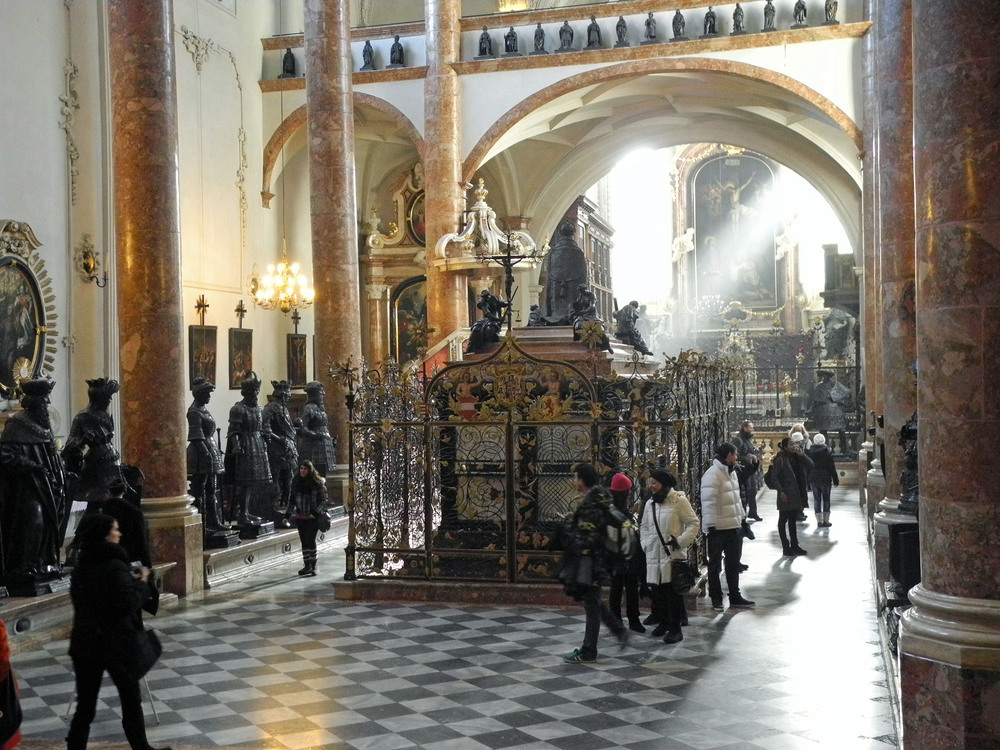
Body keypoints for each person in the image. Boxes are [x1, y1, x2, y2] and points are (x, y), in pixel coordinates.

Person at [65, 513, 169, 750]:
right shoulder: (114, 566)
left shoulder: (81, 568)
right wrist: (141, 583)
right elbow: (126, 604)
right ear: (105, 535)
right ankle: (141, 748)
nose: (119, 534)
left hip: (86, 642)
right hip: (116, 643)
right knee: (131, 700)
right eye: (115, 529)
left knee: (86, 706)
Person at [0, 378, 68, 593]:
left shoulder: (43, 427)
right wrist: (32, 466)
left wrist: (63, 468)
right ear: (34, 402)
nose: (46, 405)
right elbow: (5, 455)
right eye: (43, 402)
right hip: (25, 487)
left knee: (48, 523)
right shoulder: (17, 424)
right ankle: (24, 567)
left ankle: (44, 564)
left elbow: (52, 457)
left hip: (47, 485)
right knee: (34, 521)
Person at [558, 462, 627, 663]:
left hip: (590, 561)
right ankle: (618, 631)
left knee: (591, 604)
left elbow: (589, 534)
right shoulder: (600, 497)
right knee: (593, 601)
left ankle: (589, 650)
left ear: (582, 480)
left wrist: (571, 534)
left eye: (576, 478)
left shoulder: (592, 501)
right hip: (598, 560)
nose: (574, 482)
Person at [639, 469, 699, 643]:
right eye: (650, 483)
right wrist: (645, 544)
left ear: (664, 484)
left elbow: (693, 523)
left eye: (654, 483)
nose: (651, 486)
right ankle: (663, 623)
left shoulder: (678, 501)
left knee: (672, 594)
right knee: (658, 592)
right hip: (653, 554)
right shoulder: (650, 503)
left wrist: (680, 541)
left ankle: (675, 629)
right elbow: (643, 526)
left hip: (671, 555)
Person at [700, 443, 754, 611]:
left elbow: (735, 499)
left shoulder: (731, 473)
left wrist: (742, 519)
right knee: (715, 565)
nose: (736, 457)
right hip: (717, 529)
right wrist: (710, 525)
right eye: (735, 454)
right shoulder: (713, 474)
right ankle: (716, 598)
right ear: (728, 455)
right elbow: (708, 502)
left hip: (733, 526)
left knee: (732, 564)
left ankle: (735, 596)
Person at [62, 377, 123, 509]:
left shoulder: (104, 415)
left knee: (115, 503)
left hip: (112, 462)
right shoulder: (82, 417)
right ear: (99, 398)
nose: (110, 400)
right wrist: (83, 439)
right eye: (107, 397)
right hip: (95, 465)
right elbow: (70, 445)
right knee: (96, 503)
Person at [224, 372, 272, 526]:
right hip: (246, 445)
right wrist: (237, 445)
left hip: (257, 444)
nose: (255, 395)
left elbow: (262, 427)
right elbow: (233, 431)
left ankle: (247, 511)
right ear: (246, 393)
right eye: (252, 392)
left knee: (253, 482)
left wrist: (265, 438)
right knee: (244, 482)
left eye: (256, 392)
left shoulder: (258, 408)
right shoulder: (238, 409)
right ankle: (242, 513)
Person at [186, 377, 226, 531]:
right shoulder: (194, 412)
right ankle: (200, 524)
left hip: (209, 449)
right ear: (199, 394)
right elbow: (196, 437)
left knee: (211, 490)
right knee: (199, 491)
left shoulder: (202, 409)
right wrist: (206, 454)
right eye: (207, 393)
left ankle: (214, 522)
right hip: (200, 454)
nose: (209, 397)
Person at [607, 473, 644, 633]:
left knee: (623, 589)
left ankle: (623, 620)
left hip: (622, 556)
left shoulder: (615, 508)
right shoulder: (615, 511)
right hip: (622, 556)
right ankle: (629, 620)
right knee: (624, 589)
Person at [261, 380, 299, 521]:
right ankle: (274, 506)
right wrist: (278, 439)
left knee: (289, 478)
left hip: (288, 447)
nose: (288, 397)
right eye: (287, 394)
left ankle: (289, 506)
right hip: (276, 448)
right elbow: (264, 427)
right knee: (275, 477)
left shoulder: (283, 409)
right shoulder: (270, 408)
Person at [287, 461, 329, 576]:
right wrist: (287, 515)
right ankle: (307, 565)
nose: (302, 471)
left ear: (310, 470)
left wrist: (315, 513)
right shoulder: (296, 482)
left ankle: (313, 565)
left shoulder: (317, 483)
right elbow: (292, 500)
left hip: (312, 517)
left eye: (305, 469)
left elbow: (323, 500)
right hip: (301, 516)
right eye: (301, 468)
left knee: (310, 540)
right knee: (304, 541)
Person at [770, 436, 810, 556]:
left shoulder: (798, 457)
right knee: (783, 520)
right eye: (791, 444)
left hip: (796, 494)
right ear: (785, 446)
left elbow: (811, 465)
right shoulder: (780, 459)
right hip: (786, 494)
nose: (794, 446)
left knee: (792, 521)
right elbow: (774, 477)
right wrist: (781, 492)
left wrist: (802, 455)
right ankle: (785, 546)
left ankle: (795, 545)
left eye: (795, 444)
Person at [296, 381, 337, 478]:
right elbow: (301, 429)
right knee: (314, 475)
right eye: (320, 393)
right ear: (314, 395)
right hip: (313, 448)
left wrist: (331, 441)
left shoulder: (320, 409)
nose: (322, 395)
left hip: (323, 446)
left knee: (323, 475)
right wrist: (315, 435)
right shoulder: (309, 408)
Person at [732, 420, 763, 521]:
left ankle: (753, 512)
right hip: (743, 469)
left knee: (752, 491)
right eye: (750, 427)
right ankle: (743, 514)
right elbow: (734, 455)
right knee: (744, 492)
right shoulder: (738, 440)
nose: (752, 429)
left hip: (750, 468)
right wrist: (746, 457)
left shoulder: (748, 439)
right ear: (745, 428)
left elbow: (750, 450)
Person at [806, 433, 839, 527]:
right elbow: (831, 466)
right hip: (825, 478)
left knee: (816, 499)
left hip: (813, 477)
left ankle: (819, 521)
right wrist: (835, 479)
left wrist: (807, 480)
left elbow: (808, 467)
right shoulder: (827, 451)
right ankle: (826, 520)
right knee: (826, 499)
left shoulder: (809, 452)